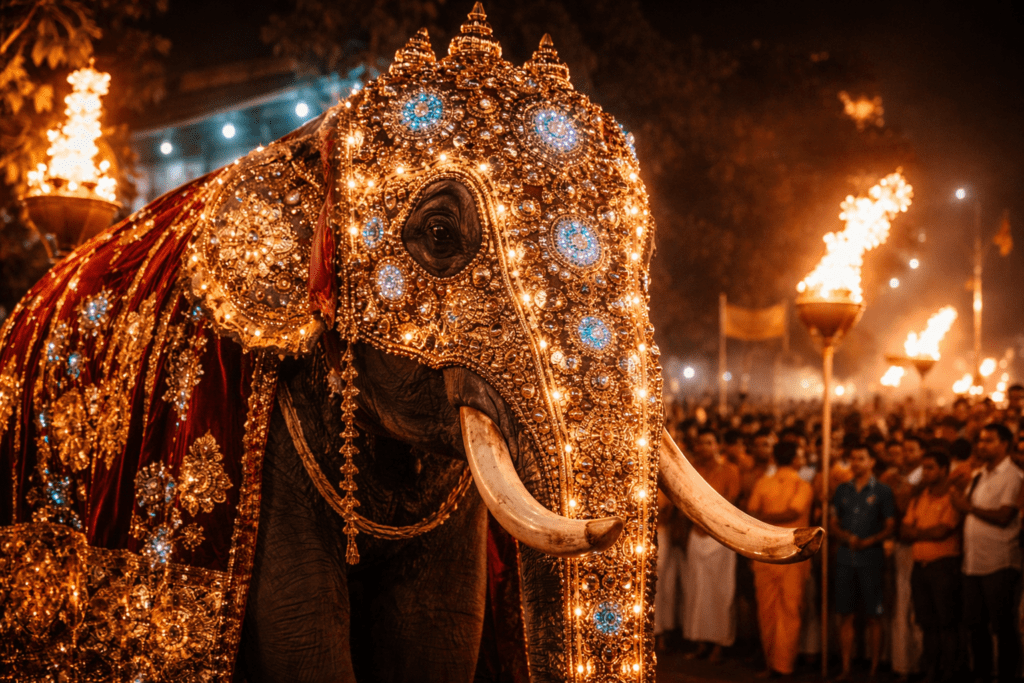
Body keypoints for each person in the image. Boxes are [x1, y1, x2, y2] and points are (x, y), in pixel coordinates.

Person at [950, 422, 1023, 683]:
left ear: (1004, 444)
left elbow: (1005, 516)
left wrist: (968, 508)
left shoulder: (1013, 476)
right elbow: (963, 505)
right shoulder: (979, 475)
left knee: (1002, 627)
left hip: (999, 562)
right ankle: (981, 674)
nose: (981, 445)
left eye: (989, 440)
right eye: (980, 440)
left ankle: (1006, 676)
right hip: (973, 562)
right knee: (975, 626)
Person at [747, 441, 814, 678]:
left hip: (765, 552)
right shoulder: (803, 486)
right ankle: (782, 665)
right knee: (788, 609)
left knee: (768, 610)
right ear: (795, 460)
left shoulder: (764, 483)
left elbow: (754, 513)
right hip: (791, 555)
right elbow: (792, 513)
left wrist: (764, 520)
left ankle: (773, 664)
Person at [831, 444, 896, 680]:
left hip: (872, 559)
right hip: (845, 557)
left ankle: (874, 668)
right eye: (853, 459)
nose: (856, 463)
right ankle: (847, 666)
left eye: (861, 458)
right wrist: (847, 537)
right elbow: (833, 521)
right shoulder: (842, 490)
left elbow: (890, 525)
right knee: (845, 614)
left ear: (871, 462)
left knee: (873, 614)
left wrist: (869, 541)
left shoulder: (883, 491)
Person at [682, 428, 741, 664]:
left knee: (721, 592)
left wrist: (710, 520)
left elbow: (731, 501)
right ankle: (700, 642)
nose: (704, 447)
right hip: (696, 535)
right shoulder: (692, 469)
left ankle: (719, 644)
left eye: (709, 442)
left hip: (721, 538)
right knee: (697, 590)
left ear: (717, 446)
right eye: (701, 443)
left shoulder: (730, 471)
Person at [902, 450, 961, 683]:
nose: (925, 473)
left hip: (944, 566)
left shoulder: (952, 497)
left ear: (944, 470)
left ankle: (949, 672)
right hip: (921, 567)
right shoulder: (919, 497)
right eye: (923, 468)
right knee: (927, 622)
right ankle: (931, 670)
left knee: (947, 622)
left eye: (930, 468)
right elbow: (904, 531)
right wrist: (924, 533)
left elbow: (942, 531)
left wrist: (917, 533)